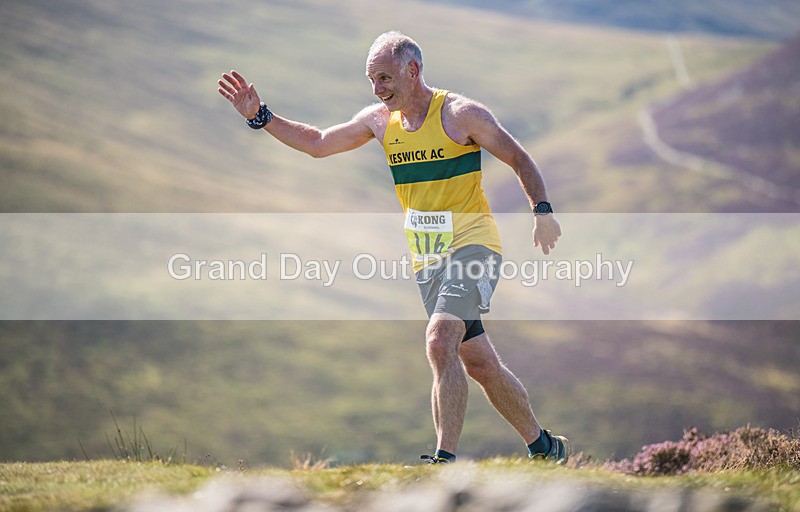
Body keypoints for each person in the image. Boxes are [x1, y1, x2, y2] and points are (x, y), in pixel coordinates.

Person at [218, 31, 569, 464]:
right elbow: (318, 143)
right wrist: (261, 116)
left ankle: (444, 461)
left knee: (440, 341)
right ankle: (545, 447)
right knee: (478, 364)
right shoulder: (380, 122)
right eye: (372, 80)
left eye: (384, 78)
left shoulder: (461, 115)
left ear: (413, 70)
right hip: (429, 257)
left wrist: (543, 210)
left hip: (474, 247)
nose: (377, 89)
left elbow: (518, 157)